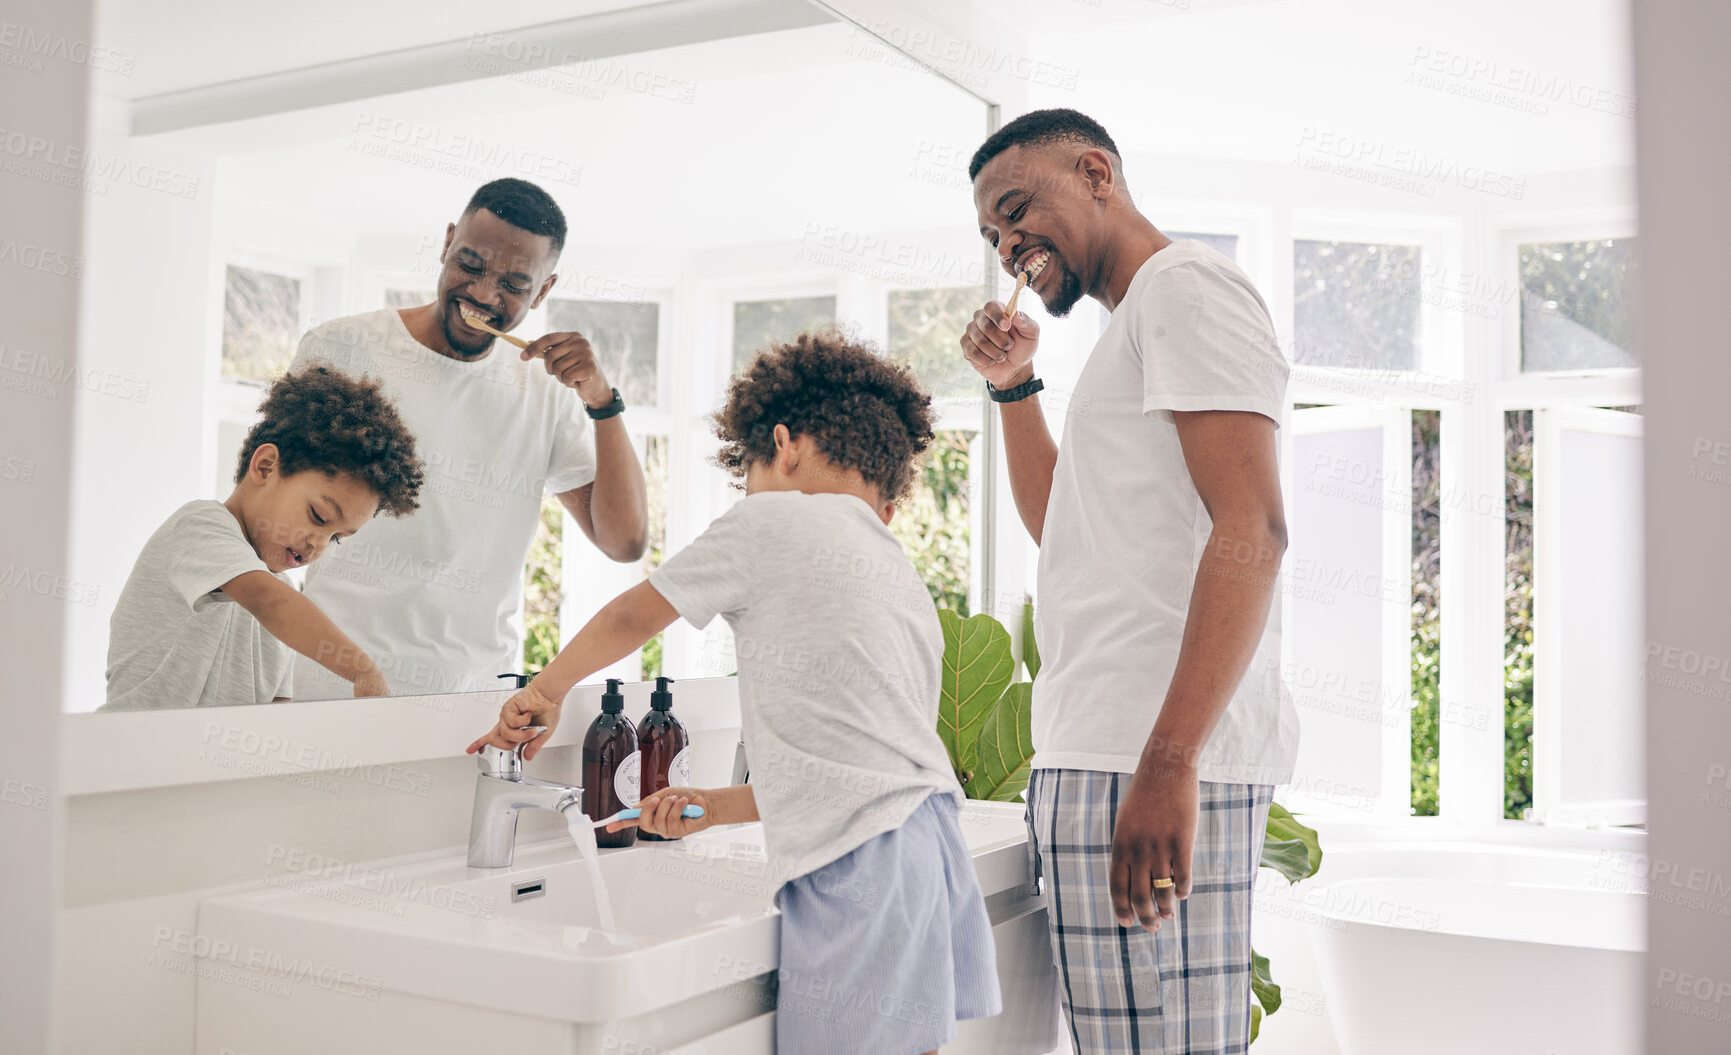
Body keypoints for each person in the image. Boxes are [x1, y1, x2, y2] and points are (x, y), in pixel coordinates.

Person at [470, 331, 1002, 1055]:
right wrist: (720, 806)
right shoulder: (896, 571)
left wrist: (547, 687)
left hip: (859, 866)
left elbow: (635, 612)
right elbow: (856, 764)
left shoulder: (769, 519)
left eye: (746, 474)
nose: (746, 494)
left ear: (783, 445)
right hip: (925, 850)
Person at [959, 109, 1297, 1053]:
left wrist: (1167, 762)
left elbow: (1254, 528)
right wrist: (1013, 386)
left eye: (1018, 209)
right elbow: (1061, 525)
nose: (1008, 244)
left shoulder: (1184, 288)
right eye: (992, 234)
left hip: (1144, 754)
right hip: (1104, 747)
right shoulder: (1130, 328)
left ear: (1095, 172)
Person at [289, 177, 648, 698]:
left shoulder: (545, 390)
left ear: (544, 290)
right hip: (333, 681)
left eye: (514, 284)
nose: (483, 294)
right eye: (471, 265)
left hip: (476, 694)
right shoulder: (343, 347)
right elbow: (271, 511)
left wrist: (601, 400)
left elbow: (626, 542)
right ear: (447, 243)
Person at [102, 367, 423, 710]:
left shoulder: (283, 600)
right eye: (318, 517)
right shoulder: (200, 527)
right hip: (134, 751)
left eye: (337, 538)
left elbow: (276, 710)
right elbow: (270, 603)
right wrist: (362, 670)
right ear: (266, 466)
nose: (318, 544)